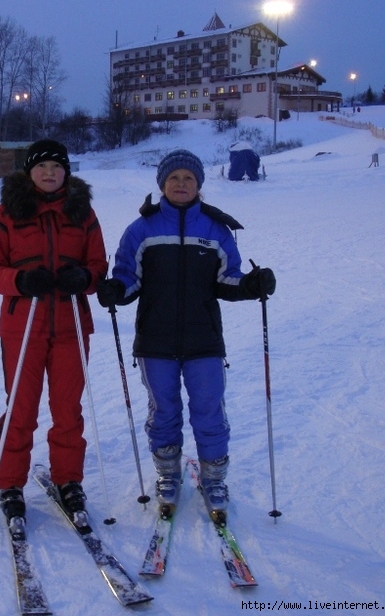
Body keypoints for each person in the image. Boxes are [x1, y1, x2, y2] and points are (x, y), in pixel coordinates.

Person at [96, 149, 276, 523]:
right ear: (162, 183)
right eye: (174, 178)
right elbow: (129, 277)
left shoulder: (215, 229)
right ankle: (167, 472)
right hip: (155, 339)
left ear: (199, 185)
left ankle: (214, 478)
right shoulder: (141, 230)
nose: (181, 184)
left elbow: (228, 279)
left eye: (189, 179)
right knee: (163, 410)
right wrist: (116, 288)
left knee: (209, 409)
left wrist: (251, 285)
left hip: (204, 339)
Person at [0, 139, 108, 524]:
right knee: (21, 409)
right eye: (42, 167)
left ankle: (69, 479)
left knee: (68, 409)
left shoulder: (82, 213)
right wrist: (20, 280)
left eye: (57, 166)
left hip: (70, 325)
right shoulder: (5, 214)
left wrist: (84, 276)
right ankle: (10, 483)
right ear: (29, 172)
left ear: (66, 172)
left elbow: (98, 264)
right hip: (23, 328)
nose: (50, 173)